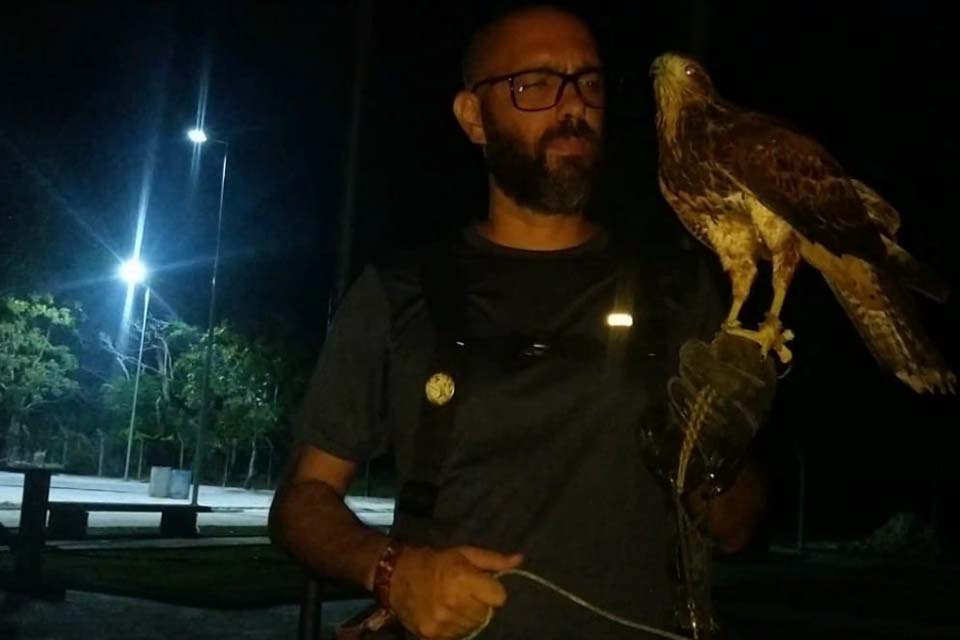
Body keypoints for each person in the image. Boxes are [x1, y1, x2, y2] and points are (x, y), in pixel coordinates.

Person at [270, 5, 773, 639]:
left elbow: (734, 525)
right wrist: (392, 571)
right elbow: (300, 503)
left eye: (587, 83)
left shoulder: (678, 292)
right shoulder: (401, 294)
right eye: (534, 84)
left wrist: (717, 457)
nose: (574, 107)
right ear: (472, 117)